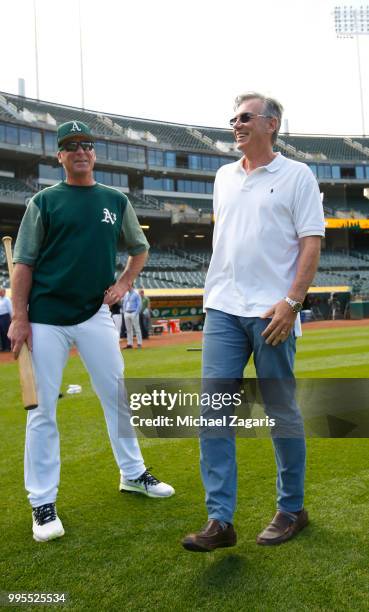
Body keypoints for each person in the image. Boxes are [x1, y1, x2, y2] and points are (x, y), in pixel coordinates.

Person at [9, 120, 174, 543]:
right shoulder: (43, 202)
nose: (80, 151)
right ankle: (42, 502)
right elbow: (23, 264)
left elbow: (140, 249)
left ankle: (133, 473)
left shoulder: (115, 200)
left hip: (94, 315)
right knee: (42, 410)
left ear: (93, 153)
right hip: (46, 316)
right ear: (60, 156)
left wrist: (122, 286)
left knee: (117, 395)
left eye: (86, 145)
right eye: (70, 146)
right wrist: (19, 317)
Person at [182, 92, 324, 552]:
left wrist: (291, 301)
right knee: (214, 411)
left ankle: (292, 508)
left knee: (280, 410)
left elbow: (311, 241)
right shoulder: (223, 177)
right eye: (233, 119)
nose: (236, 125)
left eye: (245, 117)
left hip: (272, 312)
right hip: (223, 307)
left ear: (272, 124)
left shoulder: (297, 175)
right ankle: (220, 520)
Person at [0, 286, 12, 351]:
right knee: (1, 332)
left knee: (6, 332)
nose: (0, 293)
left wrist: (12, 317)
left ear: (4, 292)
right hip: (0, 317)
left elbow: (10, 309)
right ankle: (3, 347)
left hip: (5, 317)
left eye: (1, 291)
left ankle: (8, 347)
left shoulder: (7, 299)